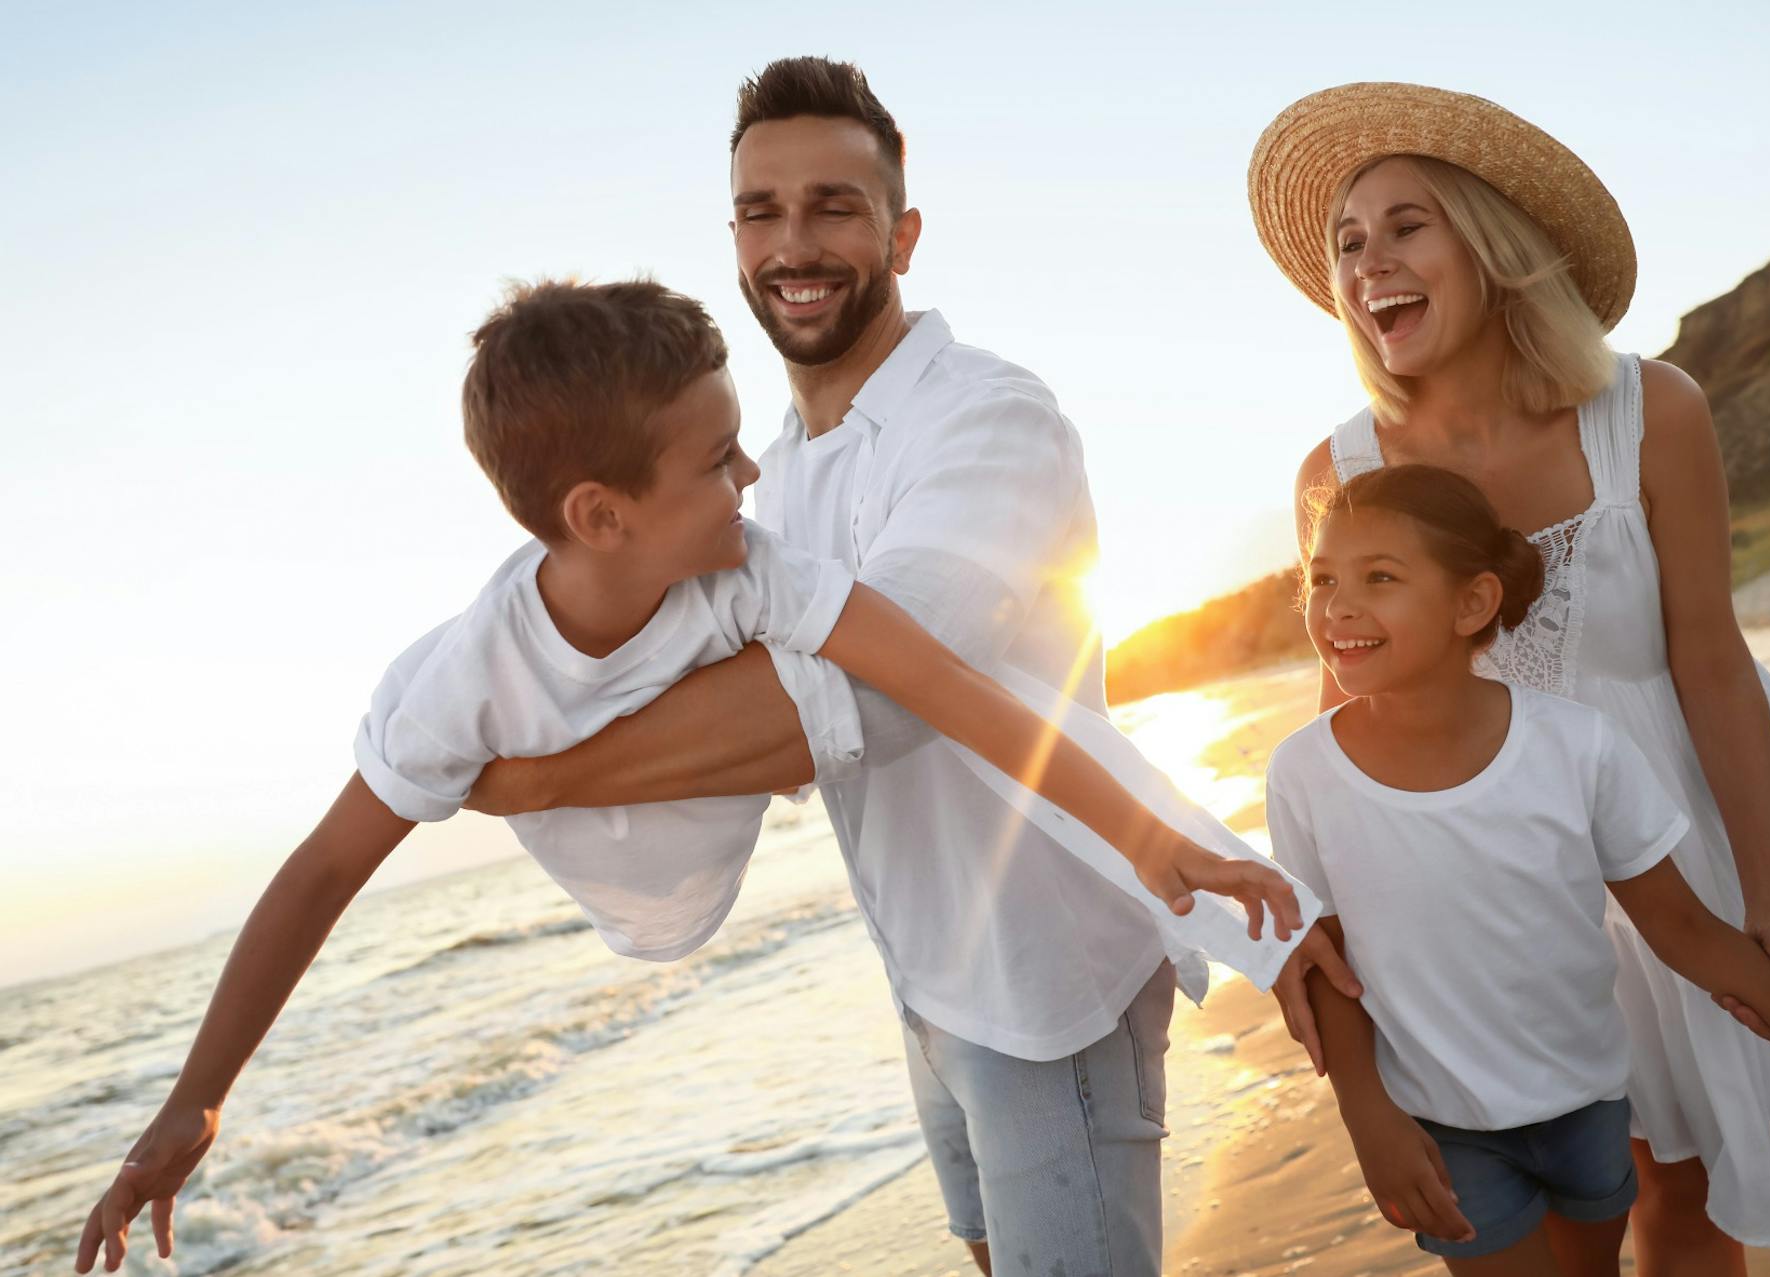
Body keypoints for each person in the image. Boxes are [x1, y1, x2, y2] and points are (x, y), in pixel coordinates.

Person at [71, 278, 1308, 1274]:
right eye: (719, 459)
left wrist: (1151, 840)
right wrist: (196, 1103)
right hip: (635, 902)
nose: (754, 477)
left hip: (903, 919)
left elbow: (949, 687)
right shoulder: (466, 686)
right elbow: (325, 868)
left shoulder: (748, 566)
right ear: (601, 515)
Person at [459, 57, 1303, 1274]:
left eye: (834, 207)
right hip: (923, 968)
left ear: (902, 233)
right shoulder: (771, 466)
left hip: (1042, 971)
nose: (792, 243)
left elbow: (865, 695)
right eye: (761, 211)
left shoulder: (989, 420)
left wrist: (546, 776)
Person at [1251, 81, 1770, 1273]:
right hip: (1536, 892)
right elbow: (1354, 735)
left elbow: (1710, 659)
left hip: (1714, 828)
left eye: (1406, 225)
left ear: (1494, 246)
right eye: (1348, 242)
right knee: (1669, 1192)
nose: (1367, 264)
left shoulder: (1646, 409)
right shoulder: (1340, 469)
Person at [1269, 462, 1770, 1276]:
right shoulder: (1303, 774)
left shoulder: (1576, 746)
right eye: (1321, 578)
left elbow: (1685, 929)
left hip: (1591, 1106)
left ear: (1472, 602)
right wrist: (1368, 1117)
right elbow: (1326, 961)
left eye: (1380, 577)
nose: (1338, 606)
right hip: (1444, 1125)